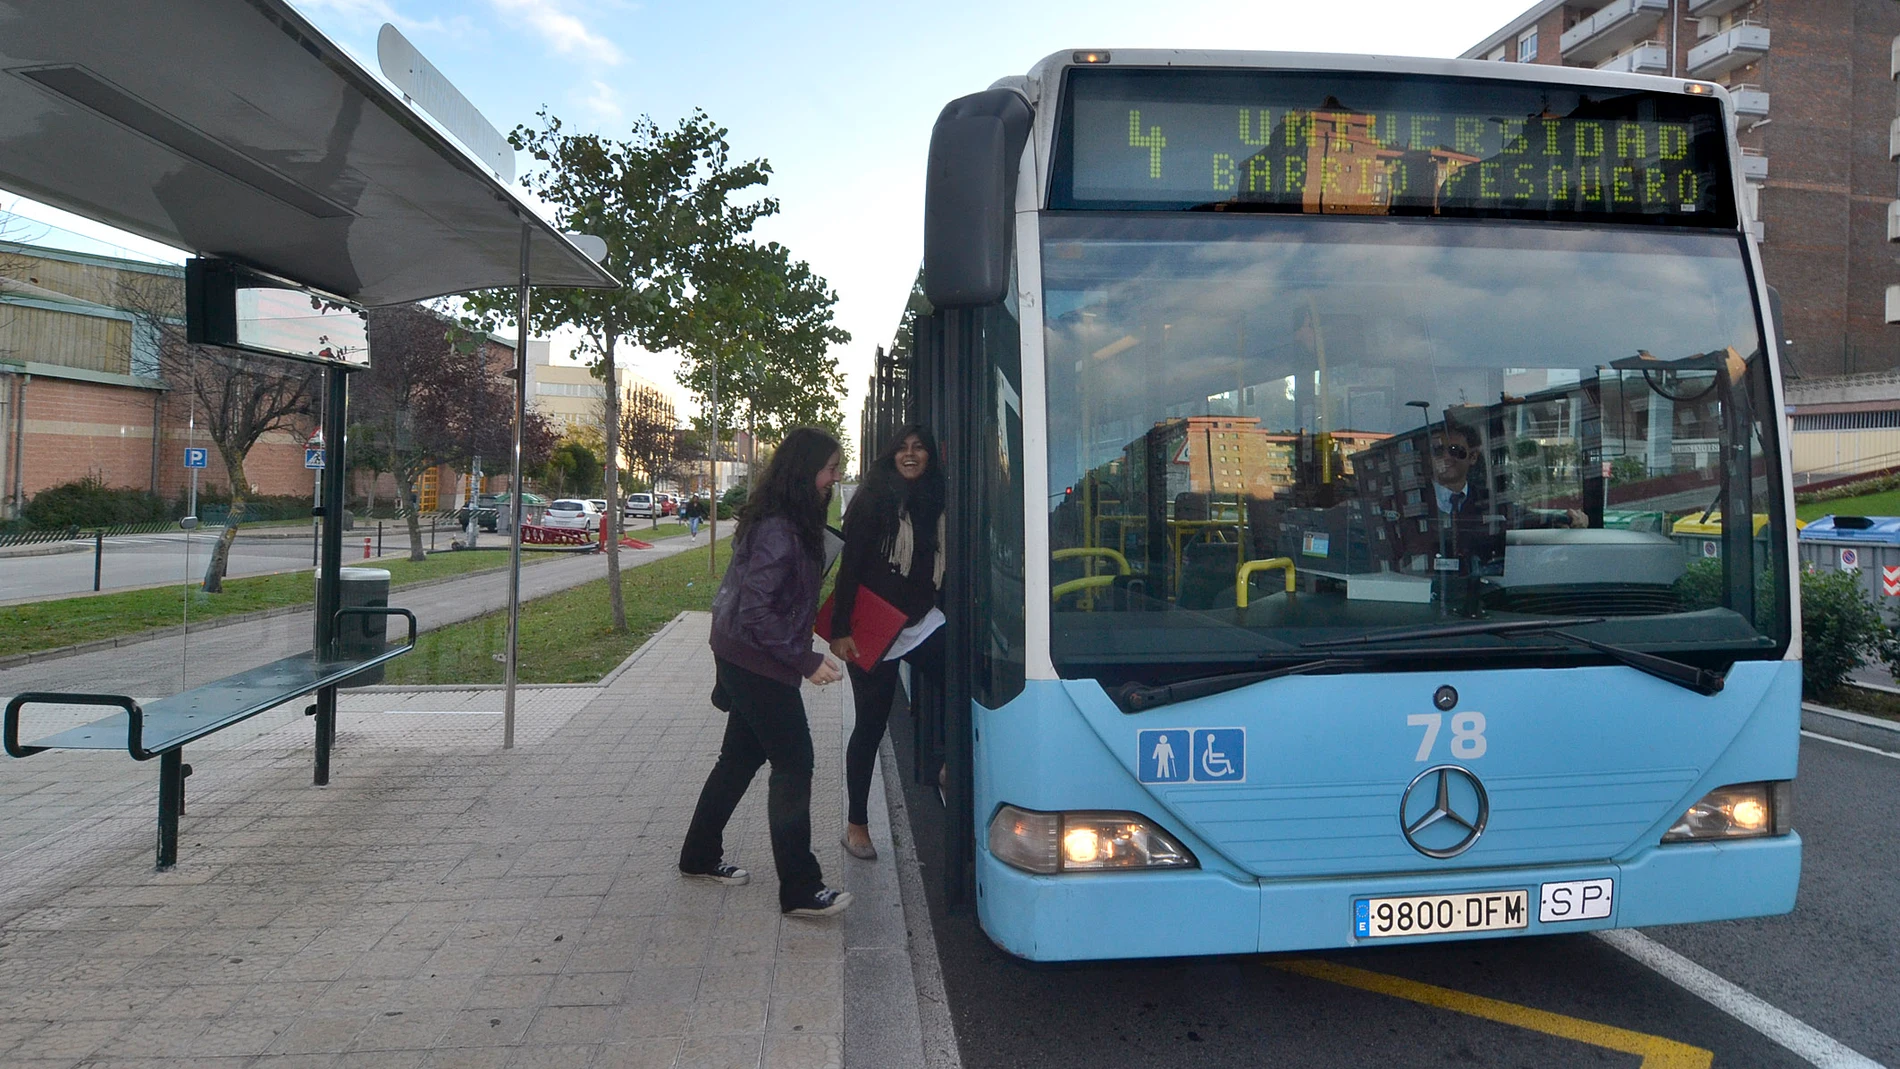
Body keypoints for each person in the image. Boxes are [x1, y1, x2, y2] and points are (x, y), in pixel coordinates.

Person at [679, 427, 854, 918]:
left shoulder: (789, 519)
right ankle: (800, 889)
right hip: (757, 662)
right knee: (794, 765)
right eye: (830, 468)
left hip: (741, 654)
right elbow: (758, 610)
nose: (834, 478)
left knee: (737, 761)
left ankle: (697, 856)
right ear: (805, 471)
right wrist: (805, 660)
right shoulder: (781, 527)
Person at [829, 426, 945, 861]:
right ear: (890, 456)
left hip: (919, 622)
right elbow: (850, 567)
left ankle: (943, 765)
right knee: (870, 726)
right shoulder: (874, 497)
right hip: (872, 627)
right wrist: (841, 630)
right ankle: (856, 824)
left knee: (963, 675)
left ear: (931, 456)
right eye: (903, 448)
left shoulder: (936, 496)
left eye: (920, 447)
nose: (911, 455)